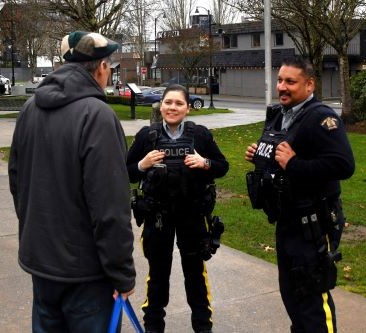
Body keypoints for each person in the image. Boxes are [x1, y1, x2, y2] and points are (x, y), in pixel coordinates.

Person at [8, 31, 136, 333]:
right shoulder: (98, 116)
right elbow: (110, 206)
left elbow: (17, 181)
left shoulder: (29, 110)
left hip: (42, 265)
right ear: (102, 67)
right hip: (86, 276)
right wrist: (122, 274)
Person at [245, 56, 355, 333]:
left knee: (312, 300)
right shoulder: (279, 115)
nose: (282, 87)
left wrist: (294, 164)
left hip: (313, 225)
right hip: (287, 222)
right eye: (280, 80)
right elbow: (279, 159)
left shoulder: (321, 117)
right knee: (292, 297)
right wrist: (260, 157)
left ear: (309, 84)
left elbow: (344, 165)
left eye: (290, 82)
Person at [127, 84, 229, 333]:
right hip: (157, 216)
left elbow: (222, 166)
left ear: (187, 109)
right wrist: (142, 163)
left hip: (192, 216)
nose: (173, 108)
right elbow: (126, 171)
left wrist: (204, 162)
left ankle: (203, 328)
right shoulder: (146, 136)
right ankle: (153, 328)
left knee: (195, 276)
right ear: (161, 106)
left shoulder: (201, 136)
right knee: (158, 276)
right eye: (168, 102)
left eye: (179, 103)